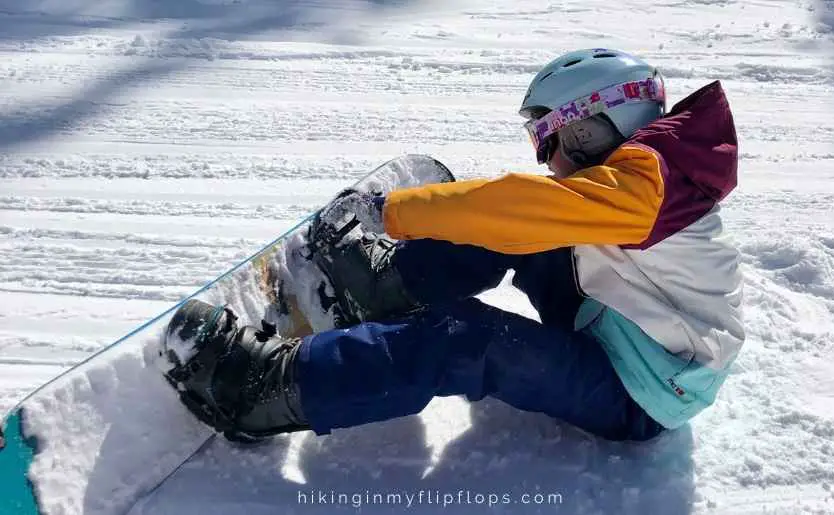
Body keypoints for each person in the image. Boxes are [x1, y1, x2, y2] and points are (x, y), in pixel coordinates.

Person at [162, 48, 744, 443]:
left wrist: (396, 214)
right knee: (520, 232)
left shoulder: (650, 185)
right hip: (618, 323)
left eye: (550, 138)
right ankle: (380, 291)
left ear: (591, 127)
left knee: (467, 339)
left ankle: (261, 392)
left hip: (642, 391)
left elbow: (520, 205)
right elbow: (521, 216)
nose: (545, 156)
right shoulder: (645, 180)